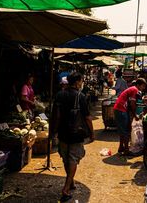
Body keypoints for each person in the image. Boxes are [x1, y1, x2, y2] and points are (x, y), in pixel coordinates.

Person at [53, 72, 94, 202]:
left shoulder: (59, 95)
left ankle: (70, 182)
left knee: (66, 158)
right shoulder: (80, 96)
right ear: (76, 82)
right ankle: (66, 188)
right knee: (73, 159)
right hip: (76, 133)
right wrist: (92, 133)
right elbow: (87, 117)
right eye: (81, 81)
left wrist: (54, 131)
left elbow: (57, 116)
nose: (81, 83)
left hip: (63, 133)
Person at [113, 78, 147, 155]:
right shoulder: (135, 90)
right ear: (138, 85)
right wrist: (135, 115)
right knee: (126, 131)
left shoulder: (133, 89)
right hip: (121, 109)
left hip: (118, 109)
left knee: (123, 130)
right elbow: (132, 104)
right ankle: (126, 150)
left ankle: (121, 147)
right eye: (143, 86)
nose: (143, 88)